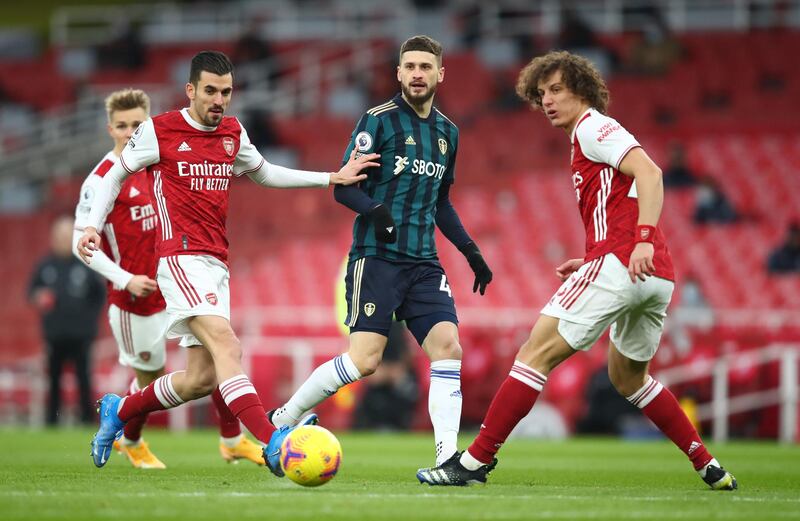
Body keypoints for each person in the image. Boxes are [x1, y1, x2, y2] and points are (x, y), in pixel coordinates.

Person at [417, 50, 737, 491]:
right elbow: (618, 202)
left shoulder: (593, 126)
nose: (547, 100)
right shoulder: (584, 138)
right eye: (542, 93)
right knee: (628, 378)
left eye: (557, 90)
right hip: (653, 276)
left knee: (533, 353)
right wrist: (595, 257)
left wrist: (641, 238)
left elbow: (650, 172)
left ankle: (472, 461)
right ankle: (708, 464)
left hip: (627, 259)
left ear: (582, 91)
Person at [76, 51, 378, 474]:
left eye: (226, 92)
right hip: (179, 257)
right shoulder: (159, 130)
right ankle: (273, 439)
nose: (219, 100)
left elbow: (266, 172)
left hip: (216, 261)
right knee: (228, 346)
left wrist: (331, 177)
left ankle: (119, 409)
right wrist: (92, 225)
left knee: (200, 378)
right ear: (191, 90)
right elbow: (114, 175)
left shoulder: (233, 132)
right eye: (211, 91)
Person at [269, 35, 493, 469]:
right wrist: (376, 211)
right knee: (365, 360)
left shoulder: (448, 133)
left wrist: (470, 251)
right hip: (377, 257)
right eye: (409, 66)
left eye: (425, 67)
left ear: (440, 73)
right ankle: (284, 417)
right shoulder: (378, 122)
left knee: (448, 348)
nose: (417, 74)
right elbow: (344, 188)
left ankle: (448, 457)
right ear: (398, 72)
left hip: (424, 263)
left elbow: (441, 201)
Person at [73, 88, 264, 469]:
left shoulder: (158, 161)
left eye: (137, 124)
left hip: (172, 284)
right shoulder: (101, 180)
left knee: (215, 355)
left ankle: (232, 438)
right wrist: (125, 279)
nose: (130, 132)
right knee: (154, 377)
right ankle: (132, 437)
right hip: (134, 301)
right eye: (123, 126)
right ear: (110, 129)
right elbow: (84, 242)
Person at [29, 215, 105, 426]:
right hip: (54, 334)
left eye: (66, 235)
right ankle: (51, 421)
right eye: (59, 236)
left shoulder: (85, 262)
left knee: (84, 378)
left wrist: (90, 322)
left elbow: (100, 296)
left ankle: (87, 420)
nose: (62, 240)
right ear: (53, 238)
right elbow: (32, 291)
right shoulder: (45, 265)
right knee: (53, 379)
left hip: (81, 335)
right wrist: (39, 296)